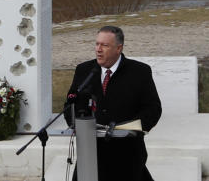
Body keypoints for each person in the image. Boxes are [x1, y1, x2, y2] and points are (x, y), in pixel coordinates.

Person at [64, 26, 161, 181]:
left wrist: (133, 128)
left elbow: (153, 109)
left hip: (127, 151)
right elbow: (71, 105)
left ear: (119, 48)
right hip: (91, 150)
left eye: (105, 45)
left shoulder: (139, 71)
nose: (98, 49)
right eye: (97, 44)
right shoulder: (84, 70)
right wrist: (76, 123)